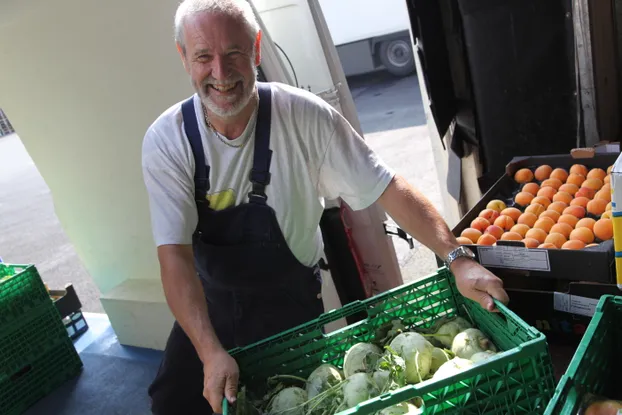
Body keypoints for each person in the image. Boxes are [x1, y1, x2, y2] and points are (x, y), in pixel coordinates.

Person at [141, 0, 510, 413]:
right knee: (172, 404)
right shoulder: (168, 141)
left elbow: (387, 187)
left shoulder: (303, 116)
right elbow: (173, 255)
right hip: (208, 306)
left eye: (234, 54)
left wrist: (458, 258)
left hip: (290, 310)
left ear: (257, 49)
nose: (221, 74)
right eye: (204, 57)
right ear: (184, 57)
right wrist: (209, 351)